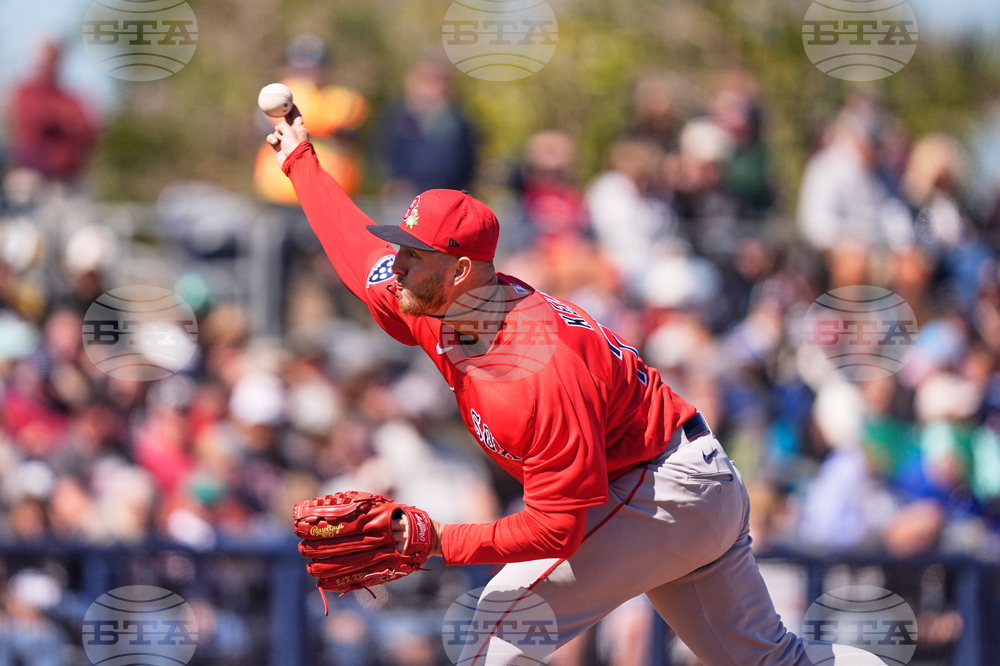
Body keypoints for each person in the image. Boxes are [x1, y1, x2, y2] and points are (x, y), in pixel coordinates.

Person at [265, 111, 884, 665]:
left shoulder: (537, 365)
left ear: (458, 271)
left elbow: (556, 528)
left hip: (659, 489)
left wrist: (430, 541)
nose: (396, 265)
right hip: (682, 480)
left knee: (493, 636)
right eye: (399, 246)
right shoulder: (433, 300)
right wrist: (301, 162)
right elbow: (355, 253)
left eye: (412, 254)